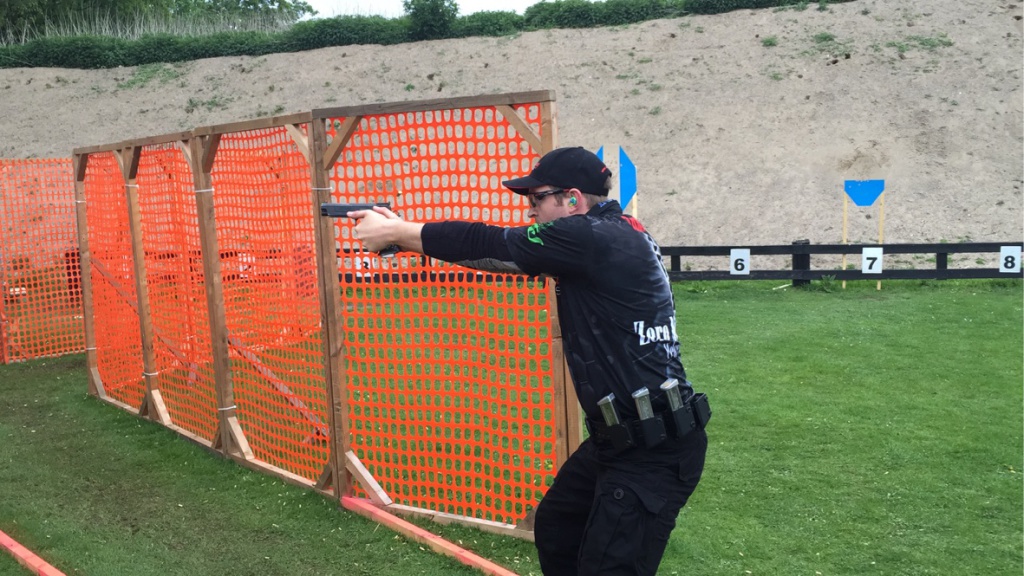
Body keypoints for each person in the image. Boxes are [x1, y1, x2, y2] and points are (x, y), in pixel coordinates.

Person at [351, 146, 709, 576]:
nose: (530, 210)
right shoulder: (612, 233)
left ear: (572, 199)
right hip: (624, 438)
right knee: (559, 525)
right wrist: (401, 233)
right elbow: (497, 253)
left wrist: (399, 231)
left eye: (537, 199)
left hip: (652, 449)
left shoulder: (589, 237)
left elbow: (488, 243)